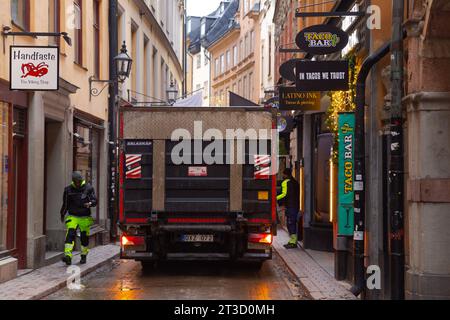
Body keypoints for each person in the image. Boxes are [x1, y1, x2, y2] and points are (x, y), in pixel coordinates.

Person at [60, 171, 97, 265]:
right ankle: (68, 256)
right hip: (73, 216)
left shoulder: (88, 188)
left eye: (79, 181)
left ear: (81, 180)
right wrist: (62, 213)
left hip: (85, 217)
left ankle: (84, 255)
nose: (77, 183)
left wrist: (90, 203)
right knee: (70, 234)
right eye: (75, 181)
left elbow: (94, 200)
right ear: (73, 181)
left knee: (84, 237)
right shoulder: (68, 190)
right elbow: (65, 203)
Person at [277, 168, 300, 249]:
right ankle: (292, 240)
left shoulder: (285, 182)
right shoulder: (295, 182)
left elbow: (284, 194)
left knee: (290, 223)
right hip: (296, 205)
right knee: (292, 222)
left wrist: (275, 198)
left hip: (291, 206)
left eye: (283, 174)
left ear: (285, 174)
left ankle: (293, 242)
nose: (282, 176)